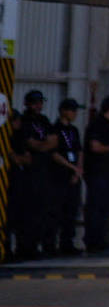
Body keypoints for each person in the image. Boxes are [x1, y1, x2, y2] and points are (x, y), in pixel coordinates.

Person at [10, 90, 57, 261]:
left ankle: (35, 245)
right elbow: (32, 144)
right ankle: (24, 247)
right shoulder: (25, 122)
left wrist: (43, 145)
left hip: (44, 170)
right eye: (35, 102)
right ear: (27, 104)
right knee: (27, 212)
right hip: (30, 173)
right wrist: (44, 145)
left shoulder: (43, 120)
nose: (38, 105)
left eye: (40, 102)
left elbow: (54, 141)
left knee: (42, 211)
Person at [83, 96, 109, 255]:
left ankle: (100, 239)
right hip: (97, 172)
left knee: (104, 207)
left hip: (108, 172)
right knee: (96, 207)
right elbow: (95, 147)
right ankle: (92, 241)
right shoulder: (98, 125)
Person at [48, 99, 86, 256]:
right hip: (60, 175)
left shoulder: (73, 130)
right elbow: (54, 153)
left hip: (73, 174)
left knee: (71, 210)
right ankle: (50, 244)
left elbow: (79, 150)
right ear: (64, 111)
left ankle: (67, 243)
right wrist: (71, 167)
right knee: (56, 211)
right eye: (72, 110)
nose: (75, 114)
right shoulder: (55, 129)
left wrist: (78, 170)